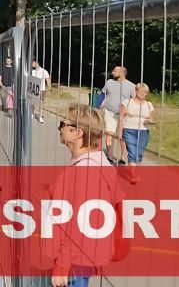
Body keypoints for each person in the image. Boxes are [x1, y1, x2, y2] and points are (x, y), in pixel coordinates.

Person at [49, 104, 123, 287]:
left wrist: (62, 265)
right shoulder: (95, 163)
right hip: (80, 257)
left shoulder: (86, 172)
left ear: (78, 133)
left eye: (63, 124)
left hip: (74, 261)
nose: (60, 128)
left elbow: (79, 226)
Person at [119, 82, 155, 184]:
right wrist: (120, 131)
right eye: (141, 91)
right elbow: (121, 117)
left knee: (139, 153)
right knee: (132, 152)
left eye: (145, 92)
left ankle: (135, 172)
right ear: (136, 91)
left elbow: (151, 118)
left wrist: (150, 121)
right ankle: (133, 176)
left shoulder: (149, 105)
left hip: (143, 131)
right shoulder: (127, 102)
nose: (143, 94)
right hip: (129, 129)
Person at [100, 66, 135, 165]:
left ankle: (123, 157)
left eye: (115, 71)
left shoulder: (131, 86)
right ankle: (110, 157)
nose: (112, 72)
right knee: (109, 134)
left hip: (123, 115)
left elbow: (134, 100)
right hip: (110, 112)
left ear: (122, 73)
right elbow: (102, 95)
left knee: (122, 136)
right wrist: (96, 107)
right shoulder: (109, 82)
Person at [31, 60, 52, 124]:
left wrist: (49, 89)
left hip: (42, 89)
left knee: (41, 103)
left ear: (36, 63)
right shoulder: (32, 71)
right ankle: (32, 113)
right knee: (33, 102)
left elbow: (48, 80)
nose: (32, 64)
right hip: (34, 89)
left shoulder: (44, 71)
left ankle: (40, 116)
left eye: (33, 62)